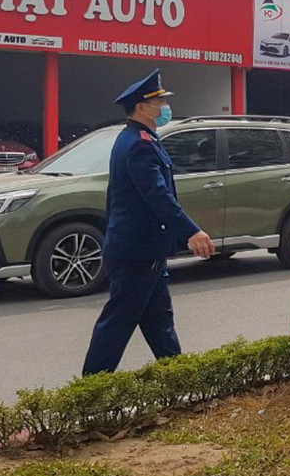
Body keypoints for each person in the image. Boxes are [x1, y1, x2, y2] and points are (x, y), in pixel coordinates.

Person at [82, 69, 215, 376]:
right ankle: (90, 388)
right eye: (160, 101)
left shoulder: (135, 139)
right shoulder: (138, 144)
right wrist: (191, 231)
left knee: (159, 320)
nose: (165, 106)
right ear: (142, 107)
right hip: (135, 252)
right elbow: (157, 196)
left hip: (143, 250)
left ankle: (177, 378)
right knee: (118, 322)